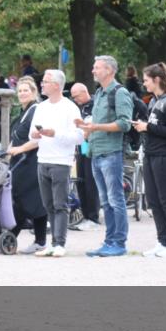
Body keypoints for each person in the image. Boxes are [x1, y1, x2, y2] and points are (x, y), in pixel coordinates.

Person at [76, 55, 133, 257]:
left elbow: (125, 123)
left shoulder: (119, 93)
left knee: (116, 199)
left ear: (109, 70)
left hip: (112, 153)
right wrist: (87, 129)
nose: (93, 71)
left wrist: (96, 127)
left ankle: (119, 242)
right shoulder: (99, 93)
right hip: (96, 152)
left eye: (97, 67)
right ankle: (109, 241)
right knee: (106, 201)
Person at [132, 63, 166, 257]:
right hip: (151, 155)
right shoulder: (154, 101)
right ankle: (162, 242)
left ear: (156, 80)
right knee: (154, 201)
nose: (143, 83)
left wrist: (147, 127)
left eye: (146, 80)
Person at [29, 69, 83, 258]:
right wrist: (36, 134)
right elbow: (31, 134)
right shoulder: (41, 107)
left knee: (60, 203)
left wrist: (55, 134)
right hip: (42, 159)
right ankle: (52, 243)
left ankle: (60, 242)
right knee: (48, 203)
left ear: (57, 85)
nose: (42, 84)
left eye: (45, 81)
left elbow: (79, 136)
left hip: (61, 160)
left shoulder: (70, 108)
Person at [6, 76, 49, 253]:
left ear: (34, 92)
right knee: (19, 199)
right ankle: (10, 238)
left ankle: (38, 240)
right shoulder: (22, 112)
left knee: (33, 200)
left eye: (26, 90)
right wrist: (9, 151)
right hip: (19, 162)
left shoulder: (36, 110)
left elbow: (41, 137)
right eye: (20, 91)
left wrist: (20, 149)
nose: (22, 93)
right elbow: (16, 137)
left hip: (31, 161)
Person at [68, 82, 101, 230]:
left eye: (76, 97)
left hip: (92, 147)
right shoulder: (75, 107)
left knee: (90, 183)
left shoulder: (95, 104)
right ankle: (85, 215)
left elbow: (93, 126)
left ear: (84, 92)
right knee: (80, 181)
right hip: (79, 147)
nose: (75, 100)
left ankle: (93, 217)